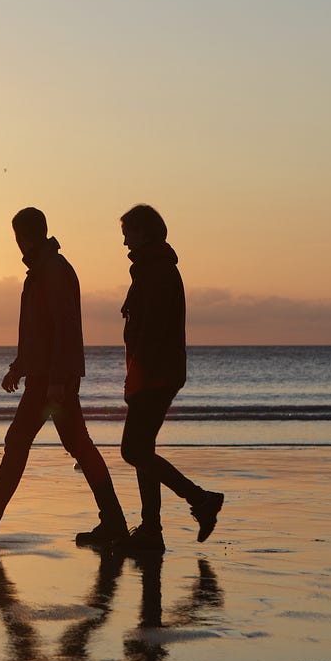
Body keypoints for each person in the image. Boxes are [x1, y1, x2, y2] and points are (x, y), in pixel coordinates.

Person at [0, 207, 127, 545]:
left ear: (26, 237)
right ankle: (112, 520)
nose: (17, 245)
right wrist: (19, 365)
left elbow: (64, 329)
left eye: (17, 238)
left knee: (22, 442)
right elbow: (37, 331)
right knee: (74, 445)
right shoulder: (43, 270)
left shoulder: (52, 270)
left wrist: (56, 380)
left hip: (51, 380)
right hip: (47, 376)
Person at [118, 204, 224, 554]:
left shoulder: (157, 271)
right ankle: (151, 530)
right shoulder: (151, 269)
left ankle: (200, 499)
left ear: (144, 232)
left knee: (133, 450)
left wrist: (140, 371)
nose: (124, 242)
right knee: (142, 450)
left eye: (128, 234)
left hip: (156, 373)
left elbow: (152, 330)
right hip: (152, 372)